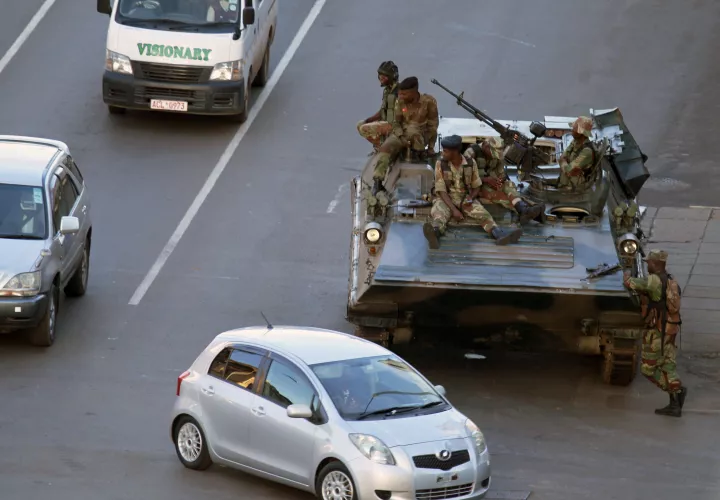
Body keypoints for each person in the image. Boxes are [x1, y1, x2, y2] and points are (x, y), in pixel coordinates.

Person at [422, 135, 522, 249]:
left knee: (484, 215)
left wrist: (472, 197)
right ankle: (434, 234)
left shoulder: (471, 163)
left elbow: (476, 186)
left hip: (464, 197)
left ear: (455, 152)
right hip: (446, 198)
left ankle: (499, 235)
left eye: (445, 151)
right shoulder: (440, 164)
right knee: (439, 215)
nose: (442, 153)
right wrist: (454, 210)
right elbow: (441, 190)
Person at [623, 249, 687, 417]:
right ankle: (675, 404)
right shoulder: (671, 280)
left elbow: (631, 283)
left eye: (649, 263)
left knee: (648, 368)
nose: (647, 265)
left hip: (658, 332)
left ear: (655, 263)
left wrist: (627, 273)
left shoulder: (653, 280)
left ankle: (676, 392)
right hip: (671, 330)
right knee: (668, 366)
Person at [372, 76, 439, 193]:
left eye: (404, 94)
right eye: (400, 94)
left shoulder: (429, 102)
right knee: (385, 148)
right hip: (401, 134)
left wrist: (431, 147)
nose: (401, 97)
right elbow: (396, 122)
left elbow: (433, 125)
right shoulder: (400, 102)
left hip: (420, 136)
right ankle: (377, 182)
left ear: (414, 92)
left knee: (414, 133)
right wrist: (399, 134)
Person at [464, 137, 544, 224]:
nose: (495, 156)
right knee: (499, 195)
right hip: (475, 187)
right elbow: (464, 178)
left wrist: (500, 180)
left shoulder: (498, 156)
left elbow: (501, 173)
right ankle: (526, 210)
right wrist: (485, 180)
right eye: (494, 153)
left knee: (508, 184)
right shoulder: (471, 153)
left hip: (490, 181)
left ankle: (524, 209)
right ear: (485, 146)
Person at [356, 61, 399, 154]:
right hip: (386, 122)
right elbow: (383, 110)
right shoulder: (387, 90)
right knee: (360, 124)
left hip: (395, 125)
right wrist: (369, 120)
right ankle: (381, 145)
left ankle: (383, 147)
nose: (381, 78)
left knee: (364, 129)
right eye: (380, 75)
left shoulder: (399, 91)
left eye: (384, 76)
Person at [556, 116, 596, 190]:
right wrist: (565, 163)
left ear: (581, 132)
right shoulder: (575, 142)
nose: (572, 130)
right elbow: (561, 158)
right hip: (565, 184)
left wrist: (564, 164)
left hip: (574, 189)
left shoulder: (587, 151)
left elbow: (569, 170)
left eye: (574, 128)